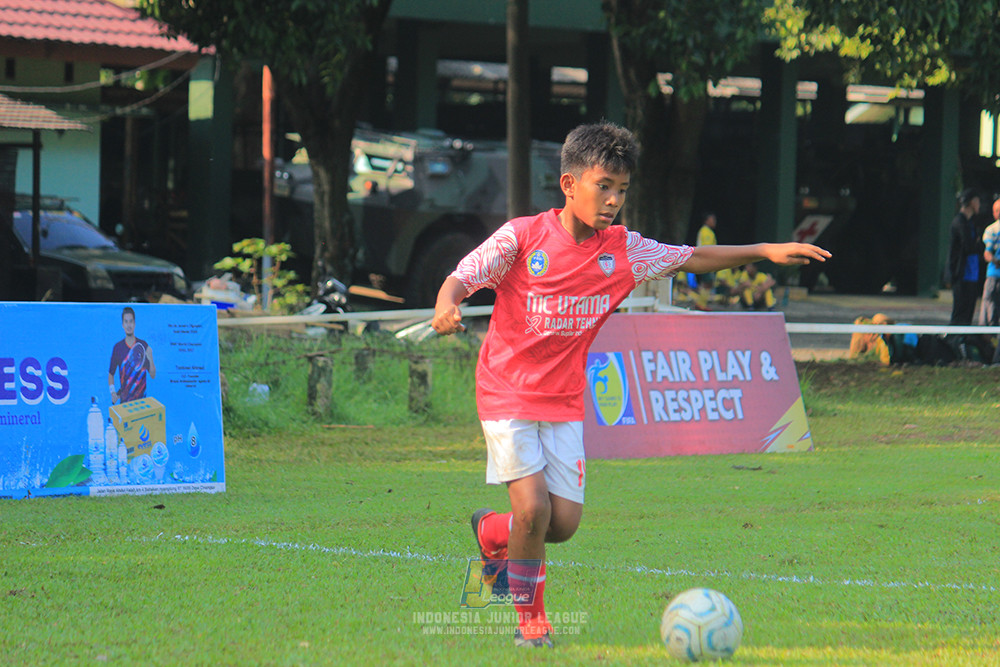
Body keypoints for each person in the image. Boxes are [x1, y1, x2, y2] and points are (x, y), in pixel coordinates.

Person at [431, 121, 830, 648]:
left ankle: (491, 532)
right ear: (570, 185)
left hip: (565, 398)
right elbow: (467, 271)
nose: (614, 199)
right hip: (507, 390)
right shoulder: (523, 237)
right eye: (604, 186)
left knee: (562, 523)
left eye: (622, 189)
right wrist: (446, 302)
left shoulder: (624, 250)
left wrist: (764, 249)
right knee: (534, 508)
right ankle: (532, 627)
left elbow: (691, 256)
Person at [948, 188, 983, 327]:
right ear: (972, 202)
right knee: (960, 314)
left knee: (968, 314)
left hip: (972, 275)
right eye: (978, 201)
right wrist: (979, 244)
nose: (979, 204)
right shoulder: (960, 222)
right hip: (962, 275)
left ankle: (963, 343)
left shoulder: (969, 223)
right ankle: (953, 344)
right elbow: (970, 247)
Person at [108, 306, 156, 404]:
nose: (129, 325)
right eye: (126, 322)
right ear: (122, 324)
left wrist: (150, 357)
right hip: (125, 403)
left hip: (142, 402)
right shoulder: (117, 348)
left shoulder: (143, 345)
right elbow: (111, 374)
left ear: (134, 324)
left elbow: (152, 374)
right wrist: (113, 392)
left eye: (131, 321)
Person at [979, 196, 1000, 365]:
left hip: (994, 275)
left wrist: (994, 260)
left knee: (989, 314)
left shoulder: (991, 230)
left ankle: (989, 354)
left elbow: (987, 253)